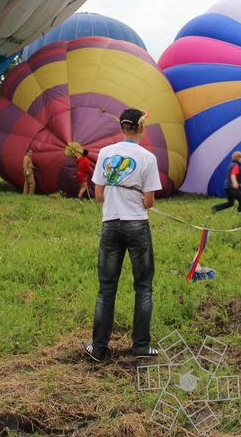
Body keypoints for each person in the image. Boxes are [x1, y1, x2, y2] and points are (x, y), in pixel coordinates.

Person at [84, 108, 161, 362]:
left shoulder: (105, 154)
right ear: (141, 128)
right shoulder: (148, 157)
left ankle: (98, 348)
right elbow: (149, 202)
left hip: (111, 225)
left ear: (121, 128)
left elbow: (98, 195)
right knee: (143, 288)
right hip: (137, 225)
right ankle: (140, 346)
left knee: (106, 290)